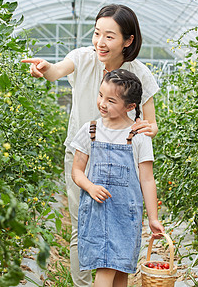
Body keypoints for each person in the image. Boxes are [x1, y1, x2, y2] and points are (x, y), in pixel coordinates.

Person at [21, 4, 160, 286]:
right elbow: (57, 70)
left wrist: (150, 130)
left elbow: (151, 122)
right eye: (97, 33)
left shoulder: (140, 73)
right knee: (82, 227)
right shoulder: (83, 58)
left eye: (110, 36)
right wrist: (46, 68)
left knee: (121, 227)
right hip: (83, 154)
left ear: (128, 40)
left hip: (124, 159)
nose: (100, 42)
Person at [71, 69, 164, 287]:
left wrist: (153, 218)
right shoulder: (90, 130)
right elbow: (76, 171)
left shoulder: (139, 137)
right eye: (101, 95)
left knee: (121, 271)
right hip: (97, 213)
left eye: (111, 100)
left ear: (130, 107)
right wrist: (91, 187)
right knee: (106, 267)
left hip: (126, 216)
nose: (102, 103)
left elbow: (147, 180)